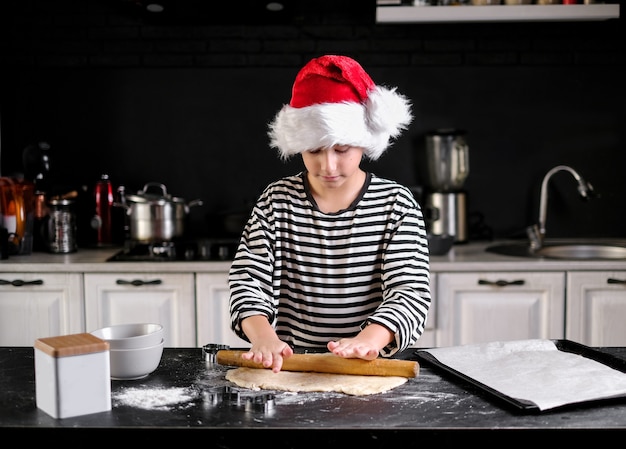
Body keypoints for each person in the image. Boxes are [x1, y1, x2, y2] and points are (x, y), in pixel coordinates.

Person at [228, 54, 431, 373]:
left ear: (365, 142)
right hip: (294, 364)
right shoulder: (277, 200)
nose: (328, 165)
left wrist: (368, 341)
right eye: (314, 150)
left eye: (342, 149)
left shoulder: (396, 203)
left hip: (369, 364)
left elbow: (410, 290)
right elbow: (248, 279)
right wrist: (264, 338)